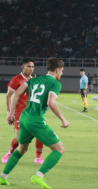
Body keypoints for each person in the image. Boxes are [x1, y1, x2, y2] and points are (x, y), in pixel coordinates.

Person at [1, 57, 69, 189]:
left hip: (24, 118)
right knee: (59, 150)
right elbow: (51, 102)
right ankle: (38, 176)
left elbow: (16, 93)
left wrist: (11, 113)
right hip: (36, 121)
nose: (62, 73)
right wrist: (63, 119)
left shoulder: (33, 79)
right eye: (62, 70)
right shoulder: (55, 83)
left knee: (22, 149)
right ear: (57, 69)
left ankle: (2, 177)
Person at [2, 58, 44, 165]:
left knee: (40, 133)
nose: (31, 69)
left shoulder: (34, 79)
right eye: (28, 66)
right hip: (19, 113)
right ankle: (9, 153)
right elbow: (8, 96)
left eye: (33, 67)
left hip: (32, 113)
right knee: (20, 139)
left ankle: (38, 157)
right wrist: (9, 113)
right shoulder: (16, 80)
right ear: (23, 67)